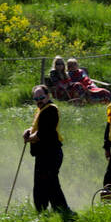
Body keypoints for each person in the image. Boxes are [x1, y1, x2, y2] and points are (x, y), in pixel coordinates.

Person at [23, 84, 70, 213]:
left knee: (50, 183)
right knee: (42, 184)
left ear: (48, 96)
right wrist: (28, 131)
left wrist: (29, 138)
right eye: (36, 99)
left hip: (51, 153)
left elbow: (41, 134)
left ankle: (61, 210)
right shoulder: (41, 110)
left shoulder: (51, 110)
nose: (39, 101)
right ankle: (43, 211)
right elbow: (37, 128)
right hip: (43, 154)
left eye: (41, 97)